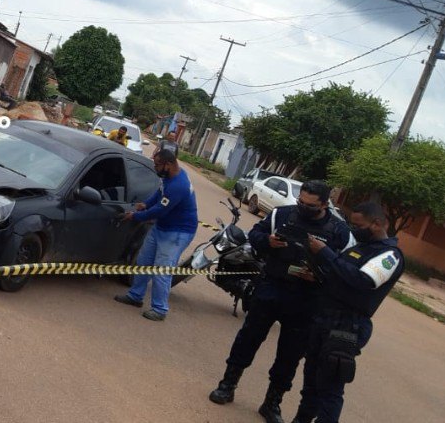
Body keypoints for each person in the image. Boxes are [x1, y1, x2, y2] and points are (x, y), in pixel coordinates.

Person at [207, 180, 351, 423]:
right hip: (272, 289)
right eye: (301, 202)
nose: (303, 207)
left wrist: (321, 275)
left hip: (307, 301)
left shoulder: (339, 231)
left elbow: (343, 268)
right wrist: (268, 242)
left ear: (324, 205)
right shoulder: (281, 214)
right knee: (248, 339)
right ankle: (227, 385)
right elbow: (255, 235)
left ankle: (272, 403)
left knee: (290, 355)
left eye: (311, 205)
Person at [292, 202, 404, 423]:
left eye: (358, 225)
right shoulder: (359, 248)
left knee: (330, 389)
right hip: (325, 318)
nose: (354, 230)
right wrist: (318, 275)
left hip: (347, 326)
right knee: (312, 381)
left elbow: (363, 280)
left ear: (377, 224)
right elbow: (339, 275)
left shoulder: (390, 255)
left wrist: (325, 253)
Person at [113, 149, 198, 321]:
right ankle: (135, 296)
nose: (155, 168)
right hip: (162, 227)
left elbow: (159, 211)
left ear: (168, 164)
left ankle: (159, 309)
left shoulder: (179, 186)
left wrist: (135, 216)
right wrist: (145, 204)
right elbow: (159, 194)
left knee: (161, 270)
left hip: (177, 232)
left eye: (158, 165)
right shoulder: (169, 177)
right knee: (144, 262)